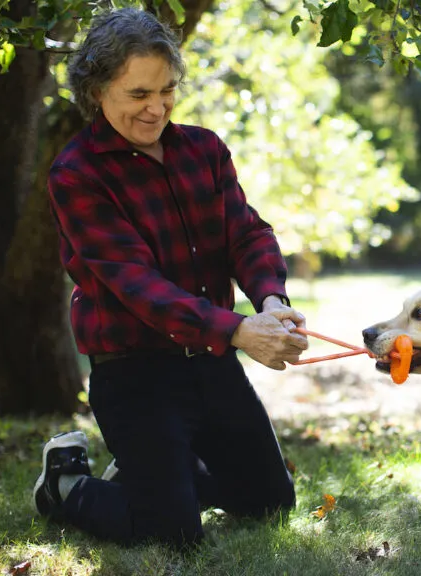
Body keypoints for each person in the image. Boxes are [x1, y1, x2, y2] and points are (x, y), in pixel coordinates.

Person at [34, 7, 309, 548]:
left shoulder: (203, 149)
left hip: (211, 365)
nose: (156, 107)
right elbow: (138, 286)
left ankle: (158, 476)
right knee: (173, 534)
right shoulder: (76, 174)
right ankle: (66, 486)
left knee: (270, 503)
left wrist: (271, 300)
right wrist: (238, 330)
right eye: (138, 94)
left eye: (167, 90)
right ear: (96, 91)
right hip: (135, 375)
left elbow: (247, 235)